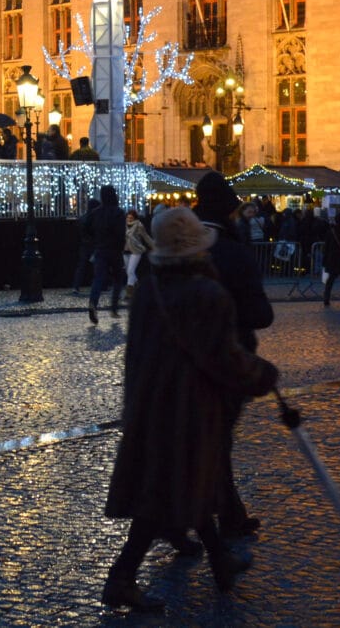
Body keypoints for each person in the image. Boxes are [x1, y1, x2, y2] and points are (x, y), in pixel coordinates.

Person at [102, 207, 278, 612]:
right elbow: (225, 358)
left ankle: (219, 561)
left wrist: (135, 408)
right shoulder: (206, 294)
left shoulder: (149, 289)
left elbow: (136, 355)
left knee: (198, 482)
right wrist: (261, 374)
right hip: (191, 411)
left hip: (152, 408)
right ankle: (122, 578)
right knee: (168, 493)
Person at [193, 171, 273, 541]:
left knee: (205, 441)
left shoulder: (177, 250)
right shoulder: (233, 252)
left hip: (182, 364)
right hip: (227, 363)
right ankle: (216, 521)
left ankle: (227, 516)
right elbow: (260, 315)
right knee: (215, 441)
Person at [88, 185, 127, 322]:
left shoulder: (96, 213)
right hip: (115, 250)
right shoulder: (118, 212)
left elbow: (88, 229)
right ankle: (114, 308)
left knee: (98, 278)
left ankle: (93, 302)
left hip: (100, 249)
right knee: (118, 279)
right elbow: (121, 234)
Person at [71, 193, 98, 295]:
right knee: (97, 266)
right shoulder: (96, 218)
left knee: (81, 267)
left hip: (84, 245)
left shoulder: (82, 218)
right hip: (94, 245)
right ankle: (98, 285)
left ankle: (76, 286)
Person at [123, 209, 151, 299]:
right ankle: (139, 288)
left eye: (131, 218)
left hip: (136, 250)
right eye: (128, 217)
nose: (129, 219)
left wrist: (154, 246)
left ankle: (129, 292)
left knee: (131, 270)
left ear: (134, 218)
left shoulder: (139, 225)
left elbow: (146, 237)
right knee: (129, 272)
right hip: (125, 250)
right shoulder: (124, 226)